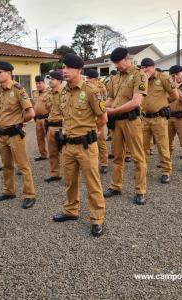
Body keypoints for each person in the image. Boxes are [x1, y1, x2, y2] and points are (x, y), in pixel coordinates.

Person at [52, 53, 107, 237]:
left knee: (93, 183)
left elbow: (102, 118)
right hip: (68, 145)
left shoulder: (91, 91)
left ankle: (97, 218)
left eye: (69, 68)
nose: (64, 71)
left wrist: (93, 132)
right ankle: (71, 210)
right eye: (63, 68)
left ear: (79, 70)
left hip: (85, 146)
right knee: (70, 181)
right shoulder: (64, 91)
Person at [102, 47, 148, 205]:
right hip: (116, 122)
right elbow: (110, 99)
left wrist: (113, 111)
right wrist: (99, 107)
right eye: (114, 63)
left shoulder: (139, 75)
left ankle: (140, 190)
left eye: (118, 63)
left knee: (137, 156)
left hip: (131, 121)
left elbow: (136, 101)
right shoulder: (115, 78)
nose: (116, 66)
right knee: (117, 156)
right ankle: (115, 186)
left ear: (127, 59)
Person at [0, 61, 36, 209]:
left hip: (14, 135)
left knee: (23, 166)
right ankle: (9, 191)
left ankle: (29, 194)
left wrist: (19, 123)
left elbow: (31, 113)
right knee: (6, 165)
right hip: (1, 134)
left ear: (8, 73)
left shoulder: (18, 89)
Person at [141, 58, 178, 184]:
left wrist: (163, 104)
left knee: (162, 146)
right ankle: (142, 170)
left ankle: (166, 171)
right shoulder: (141, 79)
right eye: (143, 67)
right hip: (144, 118)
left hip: (159, 118)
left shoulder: (163, 77)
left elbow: (174, 95)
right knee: (143, 146)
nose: (145, 69)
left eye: (147, 67)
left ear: (153, 66)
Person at [85, 69, 109, 174]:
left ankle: (104, 163)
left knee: (101, 141)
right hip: (88, 117)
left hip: (98, 116)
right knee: (88, 141)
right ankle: (89, 162)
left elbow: (102, 103)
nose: (87, 80)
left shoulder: (101, 88)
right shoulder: (86, 87)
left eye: (89, 78)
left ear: (95, 79)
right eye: (87, 77)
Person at [44, 70, 64, 182]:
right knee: (52, 152)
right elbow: (48, 108)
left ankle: (72, 175)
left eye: (52, 79)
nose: (50, 81)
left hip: (61, 126)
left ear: (59, 81)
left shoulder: (64, 93)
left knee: (66, 153)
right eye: (49, 79)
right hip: (51, 126)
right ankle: (55, 174)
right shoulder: (49, 93)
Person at [32, 75, 50, 161]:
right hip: (37, 119)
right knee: (39, 138)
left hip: (46, 119)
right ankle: (43, 155)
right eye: (36, 83)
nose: (38, 85)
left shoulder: (49, 93)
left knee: (50, 139)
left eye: (39, 83)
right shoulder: (35, 93)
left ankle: (55, 155)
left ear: (44, 83)